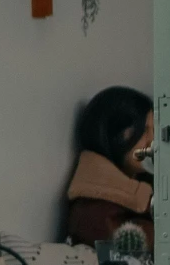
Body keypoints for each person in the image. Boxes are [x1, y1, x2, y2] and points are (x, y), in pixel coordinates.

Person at [65, 85, 155, 253]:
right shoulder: (94, 210)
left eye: (154, 131)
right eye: (144, 131)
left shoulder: (145, 189)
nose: (152, 142)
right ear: (114, 134)